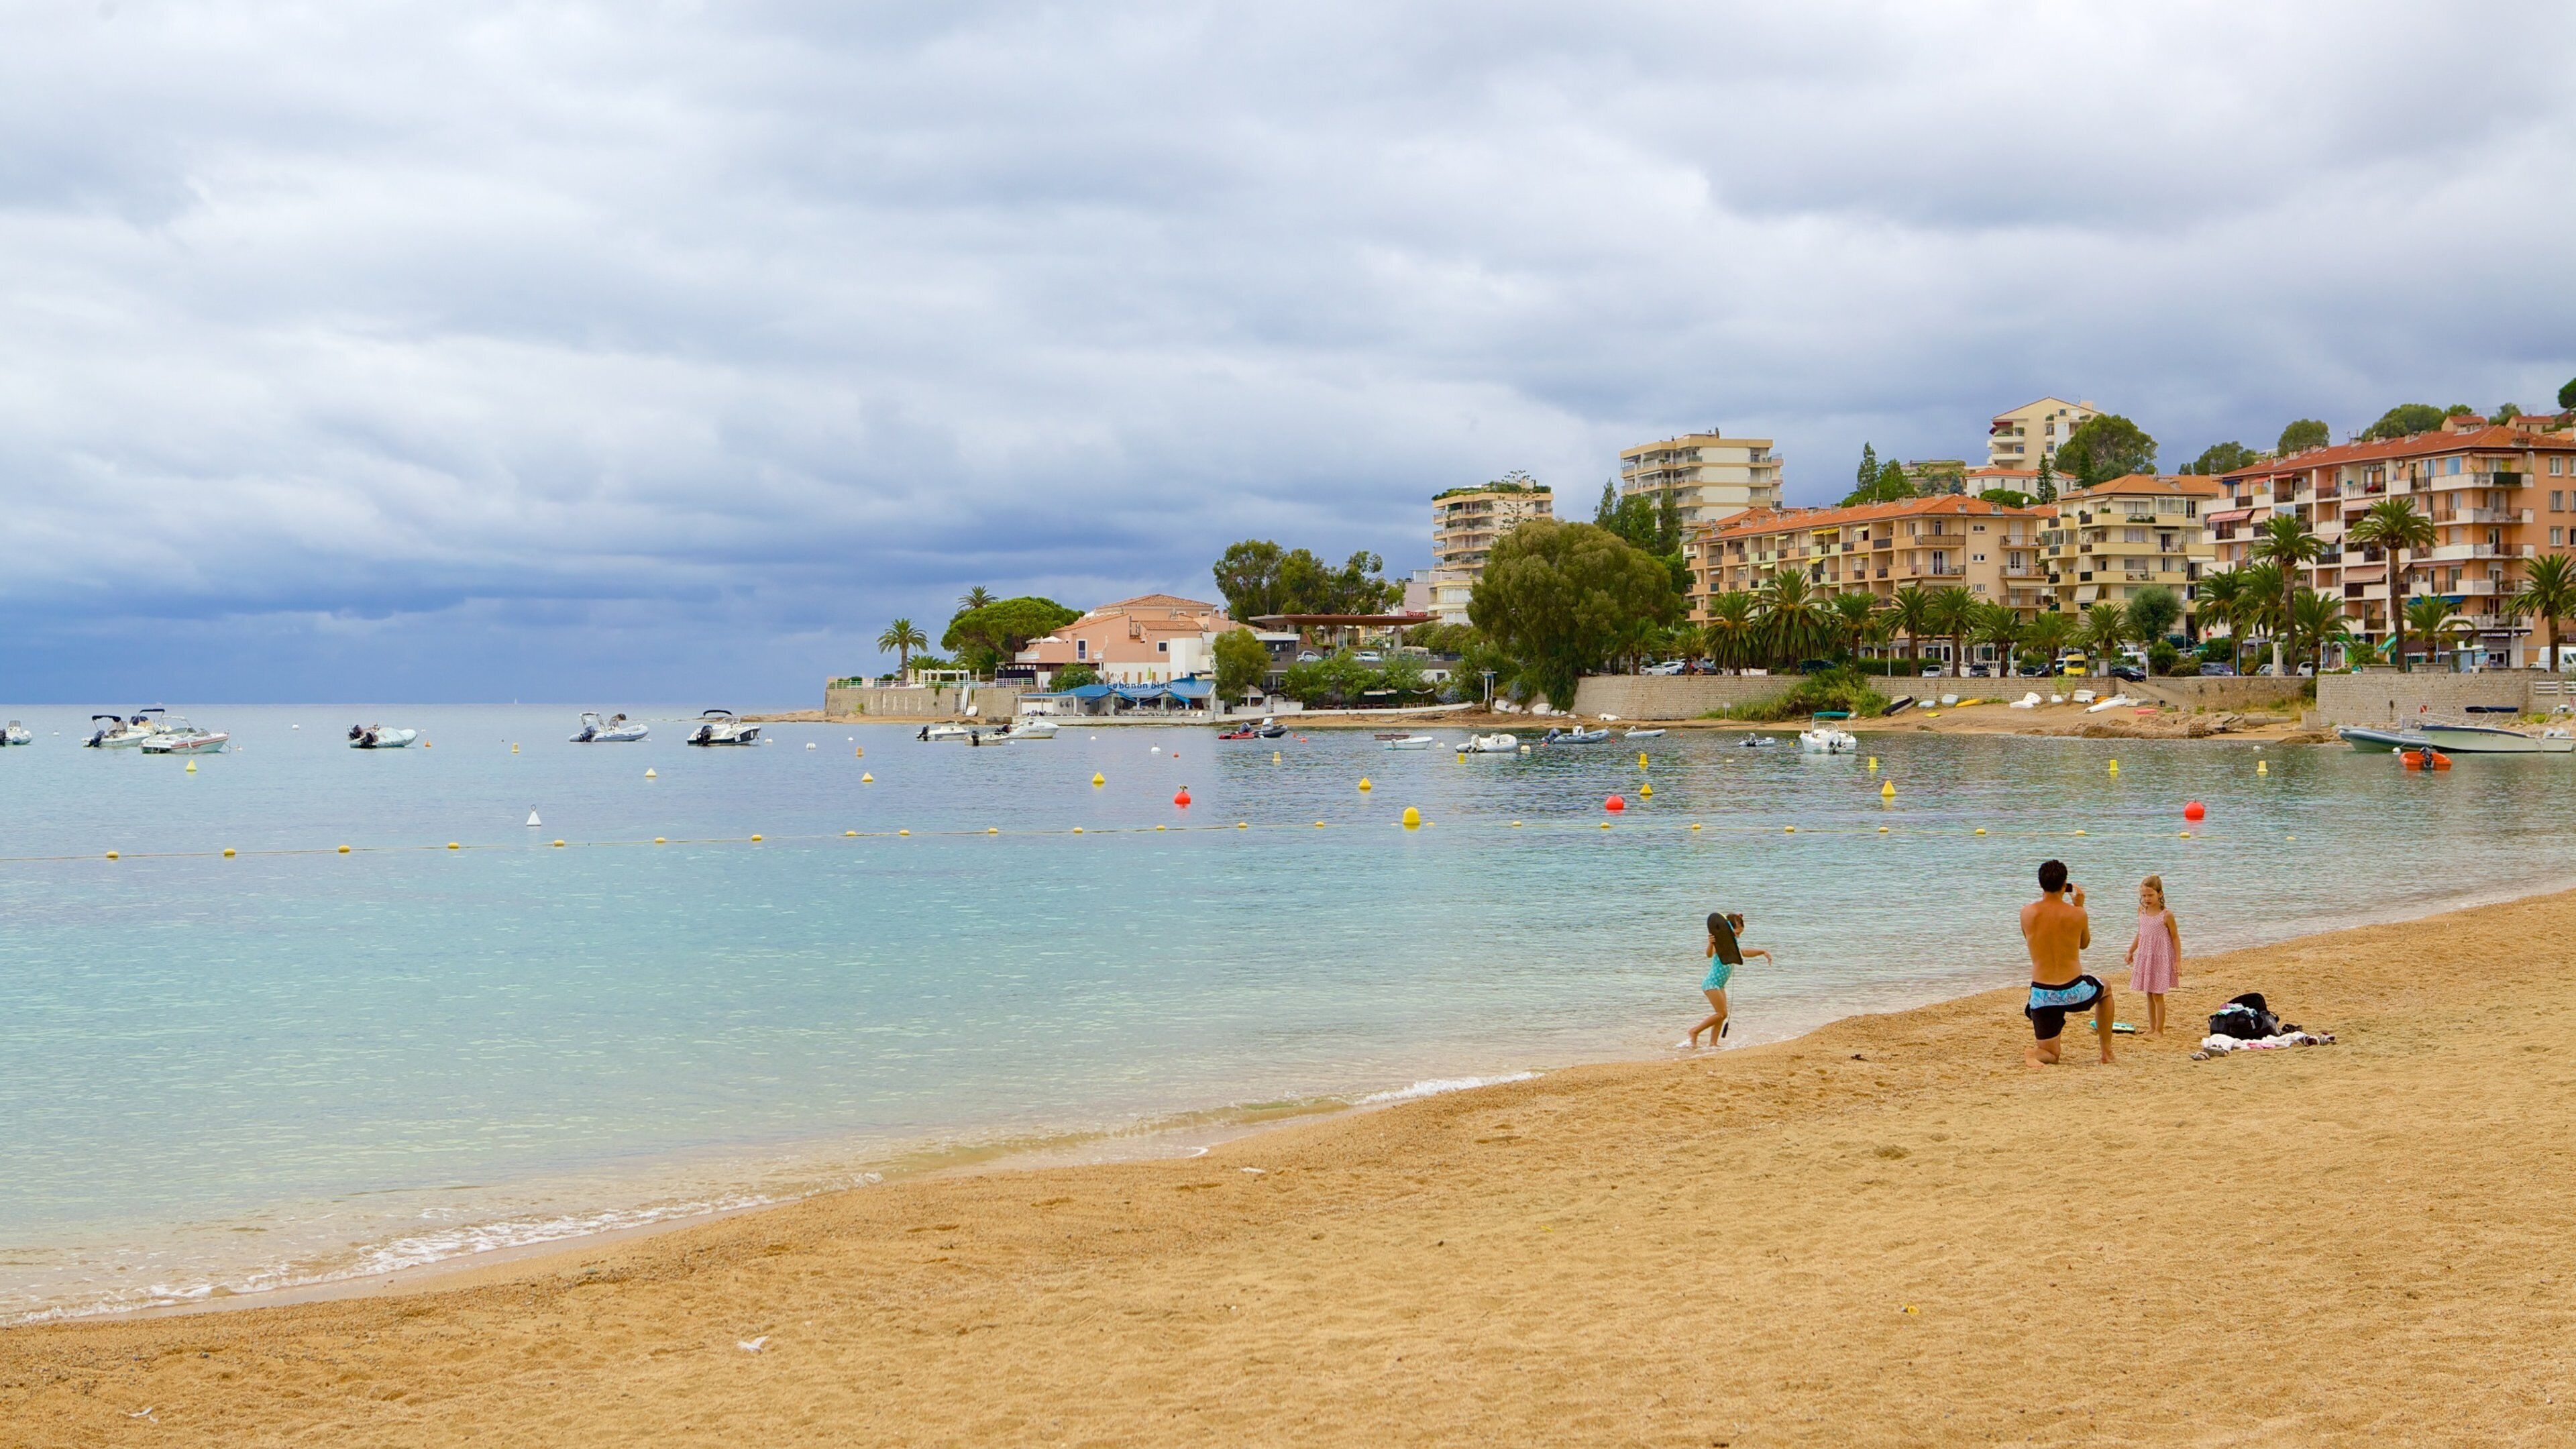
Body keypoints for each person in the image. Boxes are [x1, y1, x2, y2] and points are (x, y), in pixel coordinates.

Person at [2019, 859, 2112, 1067]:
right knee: (2106, 988)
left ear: (2041, 885)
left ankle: (2032, 1054)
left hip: (2042, 995)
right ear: (2065, 885)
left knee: (2051, 1054)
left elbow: (2030, 939)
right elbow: (2084, 944)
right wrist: (2079, 907)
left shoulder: (2027, 913)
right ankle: (2106, 1053)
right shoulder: (2077, 914)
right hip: (2073, 991)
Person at [1686, 912, 1770, 1049]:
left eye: (1740, 934)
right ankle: (1695, 1031)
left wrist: (1762, 952)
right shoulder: (1720, 943)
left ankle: (1713, 1043)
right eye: (1737, 933)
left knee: (1722, 1015)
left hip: (1720, 985)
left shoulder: (1732, 944)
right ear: (1728, 930)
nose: (1738, 936)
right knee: (1721, 1013)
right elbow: (1709, 954)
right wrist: (1710, 944)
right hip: (1711, 983)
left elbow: (1744, 952)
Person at [2123, 873, 2182, 1036]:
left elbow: (2175, 938)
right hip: (2145, 956)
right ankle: (2151, 1027)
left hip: (2160, 958)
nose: (2147, 899)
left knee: (2157, 995)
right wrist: (2131, 951)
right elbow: (2140, 934)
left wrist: (2178, 961)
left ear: (2160, 894)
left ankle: (2159, 1030)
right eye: (2144, 896)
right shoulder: (2142, 911)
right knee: (2149, 993)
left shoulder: (2167, 915)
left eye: (2150, 895)